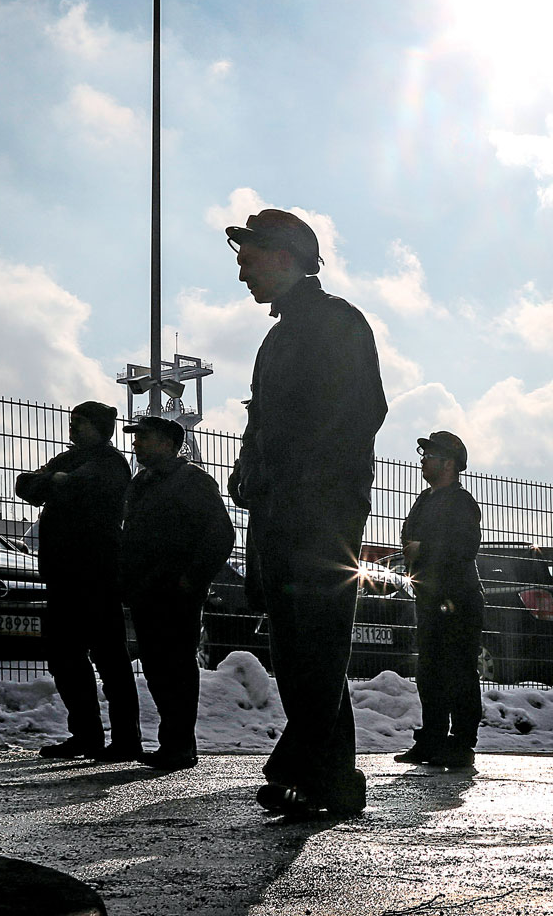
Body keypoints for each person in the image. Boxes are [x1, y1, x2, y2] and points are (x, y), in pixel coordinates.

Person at [226, 208, 387, 818]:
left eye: (250, 259)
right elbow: (264, 421)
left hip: (318, 516)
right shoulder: (281, 336)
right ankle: (332, 781)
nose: (242, 272)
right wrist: (249, 469)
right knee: (298, 653)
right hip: (283, 512)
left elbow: (362, 412)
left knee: (315, 650)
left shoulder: (335, 322)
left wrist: (300, 480)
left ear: (284, 257)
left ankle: (301, 768)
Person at [16, 401, 140, 761]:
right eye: (72, 422)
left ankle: (125, 739)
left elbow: (74, 487)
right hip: (63, 574)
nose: (72, 428)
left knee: (109, 659)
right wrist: (53, 480)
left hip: (97, 574)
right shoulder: (69, 460)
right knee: (64, 657)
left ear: (100, 427)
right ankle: (86, 735)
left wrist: (53, 481)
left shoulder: (110, 463)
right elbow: (25, 485)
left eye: (80, 423)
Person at [119, 415, 236, 771]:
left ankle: (180, 744)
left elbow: (221, 534)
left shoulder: (191, 480)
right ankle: (173, 742)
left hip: (176, 592)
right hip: (147, 591)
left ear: (169, 444)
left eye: (145, 437)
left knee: (176, 667)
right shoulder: (141, 484)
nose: (137, 443)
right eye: (136, 437)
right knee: (156, 666)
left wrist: (191, 579)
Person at [393, 430, 483, 769]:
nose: (423, 461)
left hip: (459, 599)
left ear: (449, 464)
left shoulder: (462, 503)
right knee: (429, 671)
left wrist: (424, 548)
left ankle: (461, 744)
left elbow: (464, 547)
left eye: (429, 456)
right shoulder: (424, 500)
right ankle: (431, 739)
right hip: (430, 598)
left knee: (459, 670)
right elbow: (408, 535)